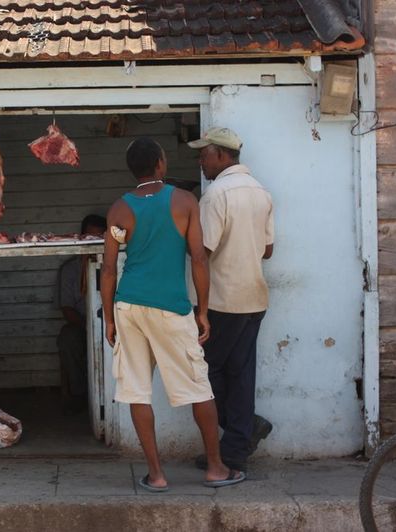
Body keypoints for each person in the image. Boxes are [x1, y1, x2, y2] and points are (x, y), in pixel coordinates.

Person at [101, 137, 244, 491]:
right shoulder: (184, 201)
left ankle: (156, 475)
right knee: (198, 387)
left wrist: (109, 318)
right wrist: (204, 311)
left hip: (129, 306)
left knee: (137, 391)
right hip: (171, 307)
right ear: (160, 164)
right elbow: (199, 259)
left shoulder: (119, 209)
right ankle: (215, 468)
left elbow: (108, 269)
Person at [188, 127, 275, 472]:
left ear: (222, 155)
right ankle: (237, 446)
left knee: (204, 372)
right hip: (254, 297)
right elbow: (268, 250)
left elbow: (202, 252)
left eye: (204, 155)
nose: (201, 162)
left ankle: (244, 431)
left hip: (222, 301)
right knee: (240, 374)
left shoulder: (215, 195)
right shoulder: (261, 192)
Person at [56, 214, 106, 414]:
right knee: (68, 337)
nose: (94, 243)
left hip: (111, 324)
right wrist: (89, 326)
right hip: (82, 325)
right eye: (90, 238)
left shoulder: (114, 264)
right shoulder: (70, 269)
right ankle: (80, 395)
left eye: (99, 238)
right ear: (82, 237)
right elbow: (67, 308)